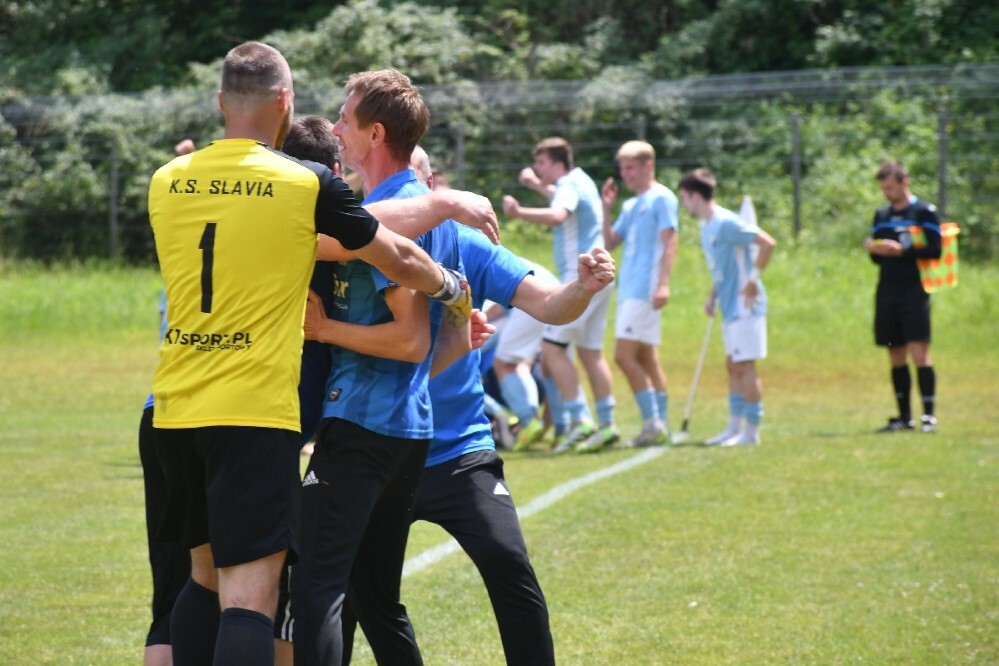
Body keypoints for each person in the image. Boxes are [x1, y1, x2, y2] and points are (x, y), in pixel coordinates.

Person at [148, 43, 492, 666]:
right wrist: (449, 286)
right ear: (286, 101)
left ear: (221, 101)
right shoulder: (303, 184)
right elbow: (393, 252)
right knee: (250, 597)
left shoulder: (167, 179)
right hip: (252, 411)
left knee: (201, 578)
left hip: (174, 406)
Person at [338, 149, 614, 666]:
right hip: (378, 449)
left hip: (457, 452)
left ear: (431, 187)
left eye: (414, 181)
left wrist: (583, 287)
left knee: (508, 561)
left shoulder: (462, 243)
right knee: (348, 596)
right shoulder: (352, 242)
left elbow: (549, 304)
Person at [289, 69, 466, 666]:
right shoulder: (405, 208)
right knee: (376, 600)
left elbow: (411, 341)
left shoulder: (397, 213)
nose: (336, 127)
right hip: (402, 430)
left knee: (316, 586)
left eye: (346, 117)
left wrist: (325, 330)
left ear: (375, 134)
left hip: (365, 426)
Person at [502, 137, 618, 453]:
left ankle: (580, 422)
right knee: (591, 353)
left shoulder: (568, 184)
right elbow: (562, 200)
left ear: (557, 164)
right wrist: (537, 186)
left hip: (579, 278)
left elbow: (558, 215)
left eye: (541, 163)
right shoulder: (581, 181)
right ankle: (607, 424)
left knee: (552, 349)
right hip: (601, 274)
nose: (537, 168)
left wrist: (519, 212)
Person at [677, 168, 776, 446]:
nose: (684, 204)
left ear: (696, 196)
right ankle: (733, 428)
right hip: (730, 305)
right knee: (733, 365)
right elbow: (722, 267)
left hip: (746, 304)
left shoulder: (726, 223)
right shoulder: (706, 226)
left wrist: (753, 281)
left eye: (685, 198)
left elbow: (767, 244)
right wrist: (713, 295)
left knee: (745, 365)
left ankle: (751, 431)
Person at [599, 140, 679, 448]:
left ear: (648, 165)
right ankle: (660, 424)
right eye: (622, 169)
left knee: (623, 356)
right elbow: (611, 241)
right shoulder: (631, 205)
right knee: (646, 356)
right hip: (629, 288)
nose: (625, 174)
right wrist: (607, 209)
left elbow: (670, 242)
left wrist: (663, 284)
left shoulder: (662, 198)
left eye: (630, 168)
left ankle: (653, 422)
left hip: (644, 289)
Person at [863, 160, 942, 433]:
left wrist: (903, 251)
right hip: (887, 289)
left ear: (904, 183)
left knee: (919, 352)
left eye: (890, 188)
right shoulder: (881, 215)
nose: (887, 193)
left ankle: (928, 417)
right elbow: (877, 259)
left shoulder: (924, 212)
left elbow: (935, 250)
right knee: (894, 351)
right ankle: (904, 417)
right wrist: (875, 250)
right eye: (883, 189)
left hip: (914, 289)